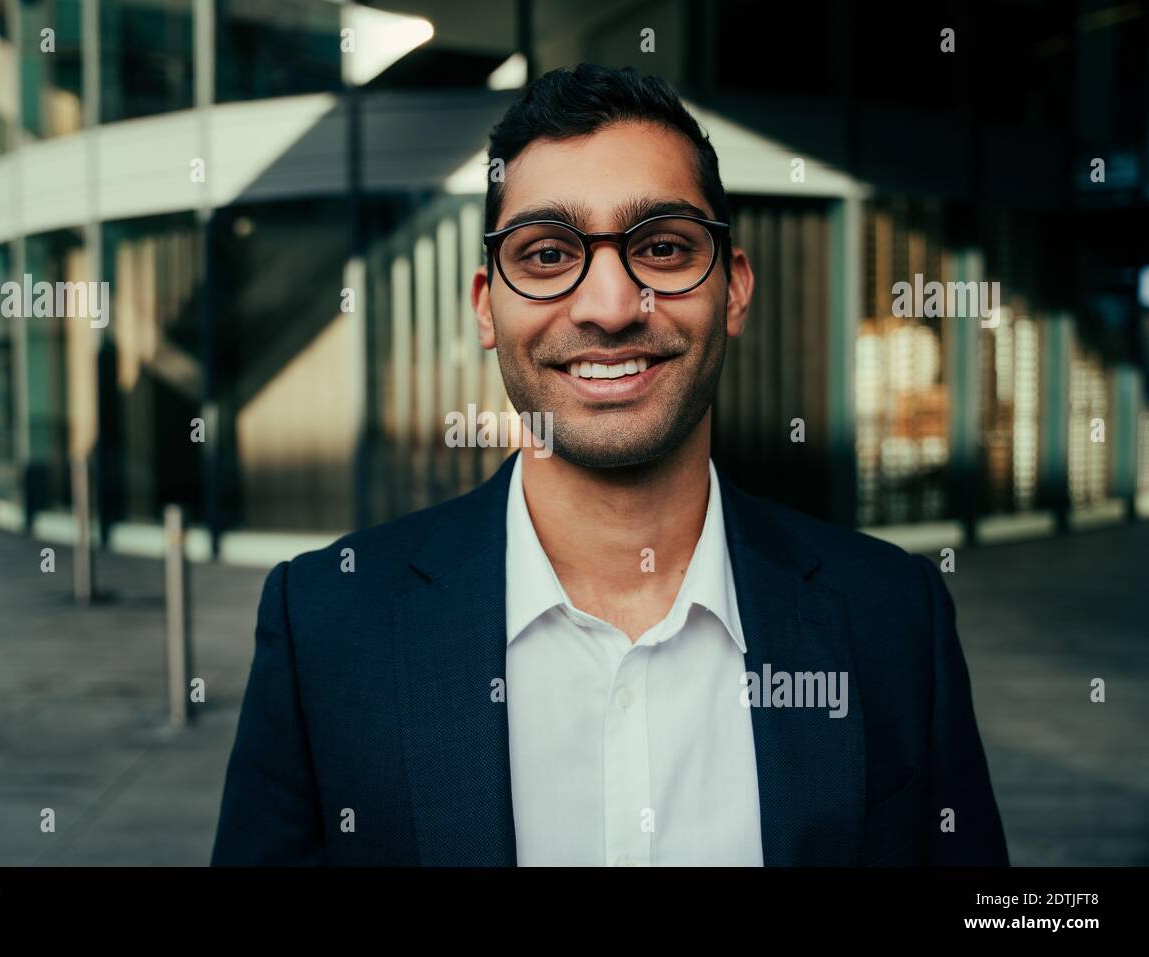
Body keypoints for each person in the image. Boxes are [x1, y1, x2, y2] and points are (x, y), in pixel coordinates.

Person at [211, 64, 1008, 867]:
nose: (611, 306)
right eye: (549, 253)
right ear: (487, 306)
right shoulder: (325, 627)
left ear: (732, 290)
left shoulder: (894, 619)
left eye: (662, 246)